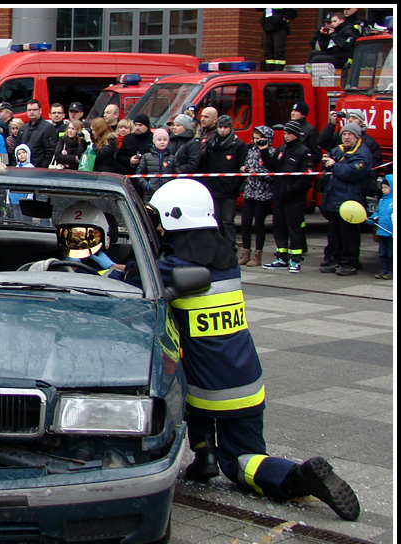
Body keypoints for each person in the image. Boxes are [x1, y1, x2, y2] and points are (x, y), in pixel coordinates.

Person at [132, 180, 360, 521]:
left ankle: (289, 475)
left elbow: (132, 283)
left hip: (209, 390)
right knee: (247, 446)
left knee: (238, 464)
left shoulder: (173, 267)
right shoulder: (227, 260)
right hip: (248, 379)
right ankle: (212, 460)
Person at [258, 121, 314, 272]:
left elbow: (306, 177)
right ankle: (281, 257)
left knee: (294, 229)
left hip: (294, 199)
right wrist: (263, 151)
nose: (286, 136)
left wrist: (291, 191)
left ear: (296, 134)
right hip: (279, 198)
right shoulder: (281, 150)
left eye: (289, 133)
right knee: (279, 228)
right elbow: (272, 168)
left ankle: (295, 259)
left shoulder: (303, 152)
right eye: (285, 133)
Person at [319, 122, 373, 276]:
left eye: (350, 134)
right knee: (334, 233)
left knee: (349, 234)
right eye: (344, 134)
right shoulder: (338, 150)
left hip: (351, 201)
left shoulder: (363, 153)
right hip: (334, 199)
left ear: (357, 137)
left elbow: (351, 172)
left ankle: (349, 262)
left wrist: (334, 165)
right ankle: (334, 259)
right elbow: (329, 161)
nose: (347, 137)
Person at [27, 201, 118, 274]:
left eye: (89, 236)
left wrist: (113, 267)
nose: (79, 242)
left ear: (105, 238)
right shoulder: (45, 262)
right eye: (72, 235)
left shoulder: (119, 261)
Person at [201, 114, 247, 250]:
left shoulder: (238, 145)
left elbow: (241, 169)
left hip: (229, 191)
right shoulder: (212, 144)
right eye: (220, 127)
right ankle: (218, 248)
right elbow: (205, 166)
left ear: (230, 128)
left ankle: (230, 248)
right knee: (216, 221)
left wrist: (234, 186)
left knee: (228, 221)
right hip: (214, 189)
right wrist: (208, 183)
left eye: (225, 127)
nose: (222, 130)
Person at [239, 125, 275, 267]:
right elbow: (245, 165)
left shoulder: (271, 152)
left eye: (259, 139)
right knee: (245, 223)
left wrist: (259, 172)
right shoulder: (250, 151)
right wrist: (244, 169)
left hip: (263, 193)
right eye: (255, 138)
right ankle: (245, 253)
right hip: (250, 191)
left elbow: (272, 171)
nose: (256, 141)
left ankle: (257, 255)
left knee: (259, 224)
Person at [317, 108, 382, 166]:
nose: (350, 120)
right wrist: (332, 124)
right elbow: (321, 142)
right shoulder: (340, 137)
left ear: (361, 123)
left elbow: (376, 164)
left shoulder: (369, 142)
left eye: (354, 118)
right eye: (348, 118)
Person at [135, 128, 177, 203]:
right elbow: (138, 174)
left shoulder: (172, 158)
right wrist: (147, 186)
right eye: (159, 140)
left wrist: (172, 186)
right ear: (154, 141)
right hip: (150, 193)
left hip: (168, 193)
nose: (162, 142)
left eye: (165, 140)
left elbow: (177, 175)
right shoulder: (146, 157)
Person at [15, 99, 57, 169]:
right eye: (29, 110)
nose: (32, 112)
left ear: (40, 110)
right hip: (22, 168)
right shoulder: (23, 128)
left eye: (34, 110)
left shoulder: (48, 128)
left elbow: (50, 152)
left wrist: (42, 168)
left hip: (39, 169)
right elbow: (17, 148)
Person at [368, 175, 393, 280]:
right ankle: (384, 269)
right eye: (382, 188)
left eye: (386, 187)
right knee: (383, 252)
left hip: (391, 232)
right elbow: (377, 213)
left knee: (391, 253)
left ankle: (391, 271)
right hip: (382, 231)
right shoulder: (382, 201)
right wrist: (372, 219)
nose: (383, 190)